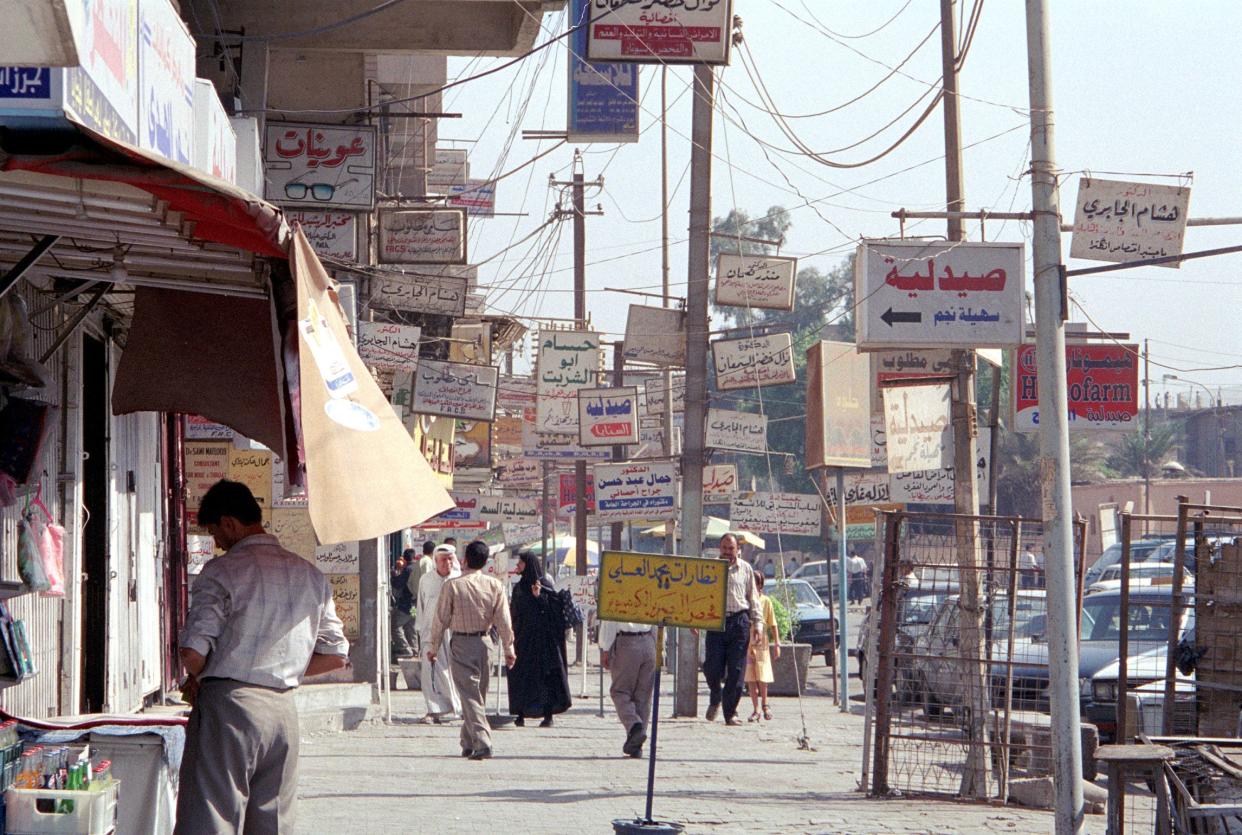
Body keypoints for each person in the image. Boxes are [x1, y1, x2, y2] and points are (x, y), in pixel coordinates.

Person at [175, 480, 349, 834]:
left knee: (212, 815)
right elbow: (336, 655)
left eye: (215, 534)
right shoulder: (310, 575)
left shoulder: (222, 571)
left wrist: (204, 676)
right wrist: (280, 670)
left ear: (229, 523)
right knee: (272, 822)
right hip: (283, 712)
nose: (217, 543)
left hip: (230, 706)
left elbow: (193, 651)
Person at [427, 540, 515, 760]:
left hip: (461, 644)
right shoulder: (495, 585)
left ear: (465, 560)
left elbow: (440, 620)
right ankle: (467, 741)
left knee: (470, 695)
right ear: (485, 563)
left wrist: (432, 646)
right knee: (476, 695)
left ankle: (483, 742)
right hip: (486, 644)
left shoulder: (452, 586)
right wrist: (509, 648)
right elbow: (504, 620)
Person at [702, 533, 761, 726]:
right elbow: (700, 596)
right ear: (720, 548)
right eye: (725, 548)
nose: (728, 552)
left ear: (737, 550)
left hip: (739, 623)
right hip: (715, 622)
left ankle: (730, 713)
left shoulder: (745, 569)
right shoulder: (710, 567)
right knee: (711, 668)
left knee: (736, 671)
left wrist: (758, 624)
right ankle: (715, 696)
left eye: (731, 549)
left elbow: (753, 598)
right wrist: (695, 621)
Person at [507, 551, 572, 727]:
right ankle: (520, 714)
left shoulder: (544, 585)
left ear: (528, 564)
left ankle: (548, 714)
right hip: (523, 640)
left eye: (520, 563)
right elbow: (514, 613)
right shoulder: (519, 587)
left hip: (543, 642)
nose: (518, 566)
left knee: (546, 678)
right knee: (521, 676)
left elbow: (554, 612)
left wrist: (539, 597)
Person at [415, 544, 462, 722]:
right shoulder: (426, 580)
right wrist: (420, 630)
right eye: (443, 559)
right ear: (435, 561)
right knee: (430, 671)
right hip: (429, 632)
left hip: (453, 632)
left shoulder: (458, 579)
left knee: (452, 670)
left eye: (450, 558)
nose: (447, 563)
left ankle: (456, 706)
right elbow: (421, 605)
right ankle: (434, 709)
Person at [599, 618, 655, 757]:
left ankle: (635, 726)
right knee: (643, 696)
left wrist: (605, 648)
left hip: (627, 643)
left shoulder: (618, 595)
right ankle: (636, 745)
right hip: (649, 641)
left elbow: (610, 619)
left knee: (619, 691)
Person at [744, 573, 781, 722]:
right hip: (747, 642)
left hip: (762, 642)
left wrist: (777, 644)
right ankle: (756, 709)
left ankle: (765, 703)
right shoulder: (745, 602)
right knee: (751, 677)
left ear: (760, 586)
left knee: (762, 675)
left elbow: (773, 624)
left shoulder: (766, 601)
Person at [391, 555, 417, 658]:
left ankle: (405, 649)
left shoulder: (407, 569)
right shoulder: (416, 567)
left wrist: (394, 575)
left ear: (405, 560)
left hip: (407, 604)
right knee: (411, 626)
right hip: (415, 604)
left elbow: (398, 584)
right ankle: (414, 650)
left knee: (395, 626)